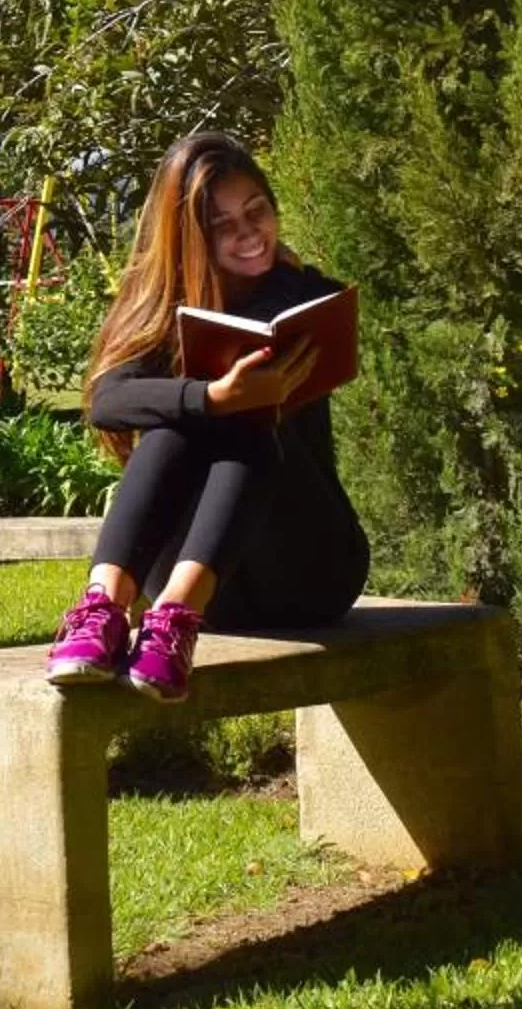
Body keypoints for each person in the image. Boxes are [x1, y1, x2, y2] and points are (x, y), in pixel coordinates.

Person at [45, 132, 370, 701]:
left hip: (309, 568)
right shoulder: (159, 304)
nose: (249, 234)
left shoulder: (304, 292)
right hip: (212, 582)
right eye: (223, 224)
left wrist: (235, 401)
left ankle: (172, 619)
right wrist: (210, 397)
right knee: (178, 422)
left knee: (251, 418)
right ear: (189, 234)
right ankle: (103, 609)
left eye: (257, 211)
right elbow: (106, 400)